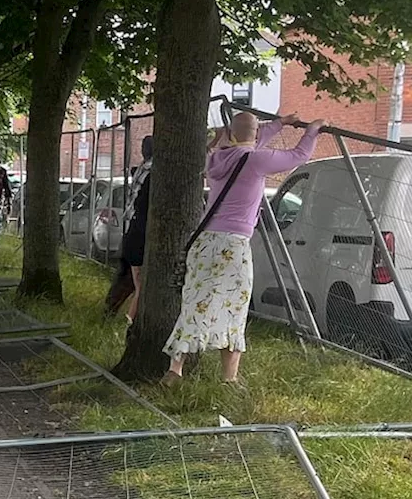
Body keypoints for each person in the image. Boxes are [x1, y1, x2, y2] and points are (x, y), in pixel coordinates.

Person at [161, 113, 325, 387]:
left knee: (195, 304)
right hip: (232, 245)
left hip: (203, 242)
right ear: (256, 134)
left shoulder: (215, 159)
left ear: (231, 133)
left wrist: (278, 124)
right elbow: (297, 155)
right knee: (234, 307)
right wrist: (312, 130)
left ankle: (174, 369)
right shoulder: (256, 161)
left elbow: (249, 141)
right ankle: (230, 379)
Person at [117, 135, 154, 324]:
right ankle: (129, 323)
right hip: (138, 231)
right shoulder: (151, 169)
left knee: (128, 279)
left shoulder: (142, 167)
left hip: (131, 225)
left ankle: (114, 311)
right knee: (138, 285)